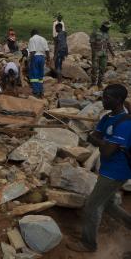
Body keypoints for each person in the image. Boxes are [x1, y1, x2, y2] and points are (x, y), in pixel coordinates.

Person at [67, 84, 131, 253]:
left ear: (118, 100)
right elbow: (97, 137)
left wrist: (100, 141)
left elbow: (108, 150)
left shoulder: (125, 123)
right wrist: (101, 141)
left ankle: (88, 244)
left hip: (117, 172)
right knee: (108, 204)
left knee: (92, 205)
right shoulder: (107, 117)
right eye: (103, 96)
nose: (103, 100)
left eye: (107, 97)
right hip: (108, 169)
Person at [90, 21, 115, 88]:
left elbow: (108, 44)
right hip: (96, 53)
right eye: (107, 27)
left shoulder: (107, 34)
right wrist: (93, 52)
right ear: (103, 26)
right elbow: (92, 42)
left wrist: (112, 53)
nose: (108, 29)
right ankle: (93, 83)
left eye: (109, 28)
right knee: (94, 68)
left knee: (103, 69)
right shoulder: (95, 32)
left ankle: (99, 83)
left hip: (104, 54)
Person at [27, 29, 50, 98]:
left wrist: (29, 60)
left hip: (35, 57)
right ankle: (41, 90)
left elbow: (33, 51)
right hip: (42, 58)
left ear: (32, 34)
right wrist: (48, 58)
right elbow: (47, 50)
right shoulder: (43, 39)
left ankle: (36, 91)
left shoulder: (32, 39)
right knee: (40, 75)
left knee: (34, 75)